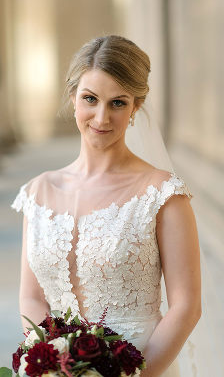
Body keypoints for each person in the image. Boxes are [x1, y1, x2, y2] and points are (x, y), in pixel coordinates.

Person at [12, 36, 201, 376]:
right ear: (73, 97)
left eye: (117, 103)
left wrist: (135, 375)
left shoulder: (163, 194)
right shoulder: (38, 192)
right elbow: (32, 298)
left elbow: (186, 307)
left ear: (135, 107)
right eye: (90, 99)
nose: (101, 117)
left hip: (142, 365)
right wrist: (53, 364)